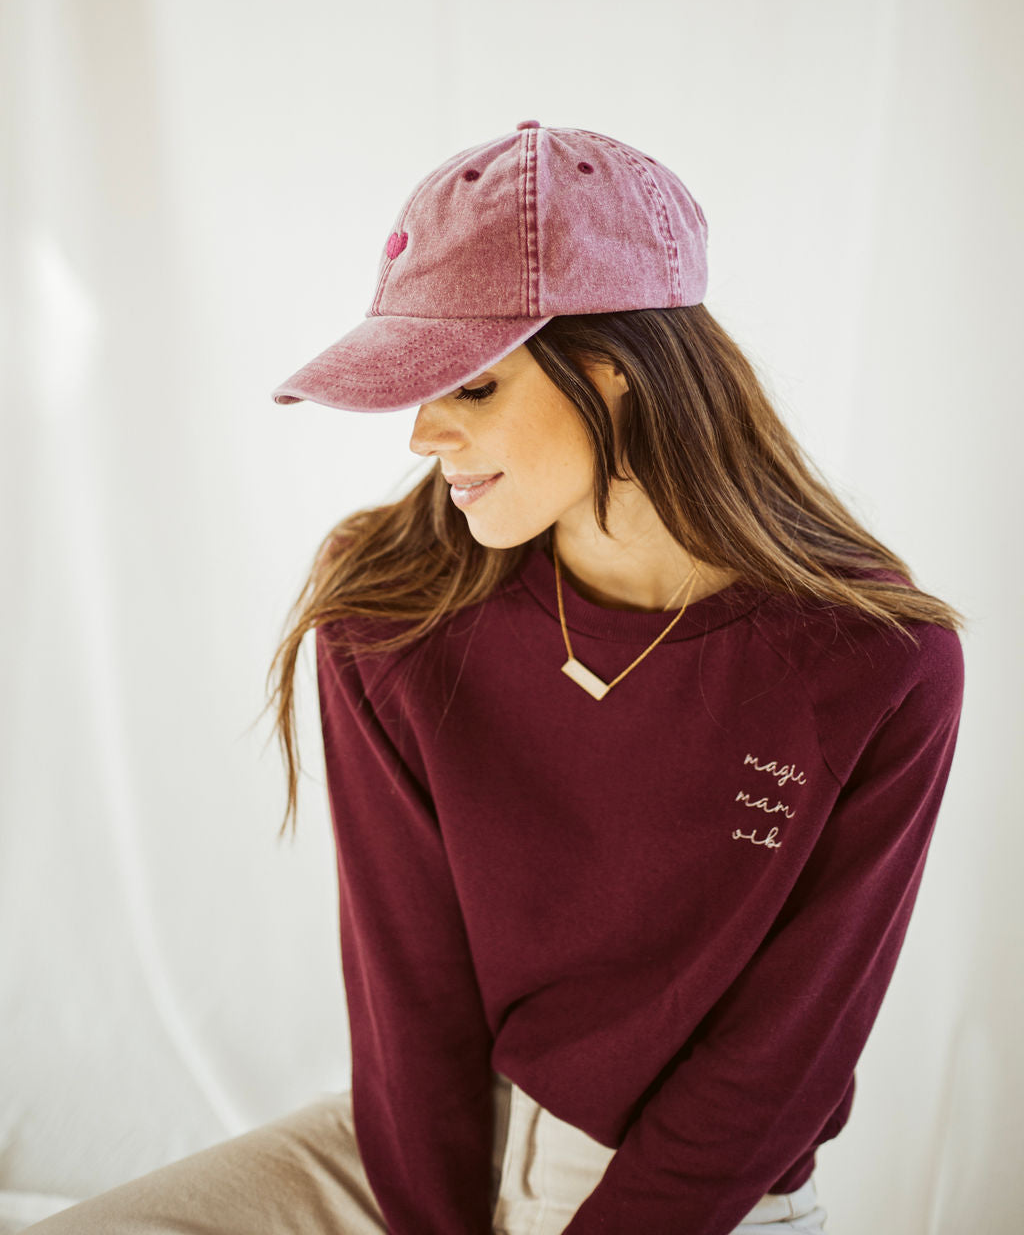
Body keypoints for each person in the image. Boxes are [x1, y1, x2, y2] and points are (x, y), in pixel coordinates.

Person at [26, 120, 967, 1234]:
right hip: (420, 1144)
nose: (422, 435)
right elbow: (409, 993)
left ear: (615, 374)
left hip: (683, 1192)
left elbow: (786, 1053)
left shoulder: (871, 662)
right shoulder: (394, 609)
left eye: (469, 388)